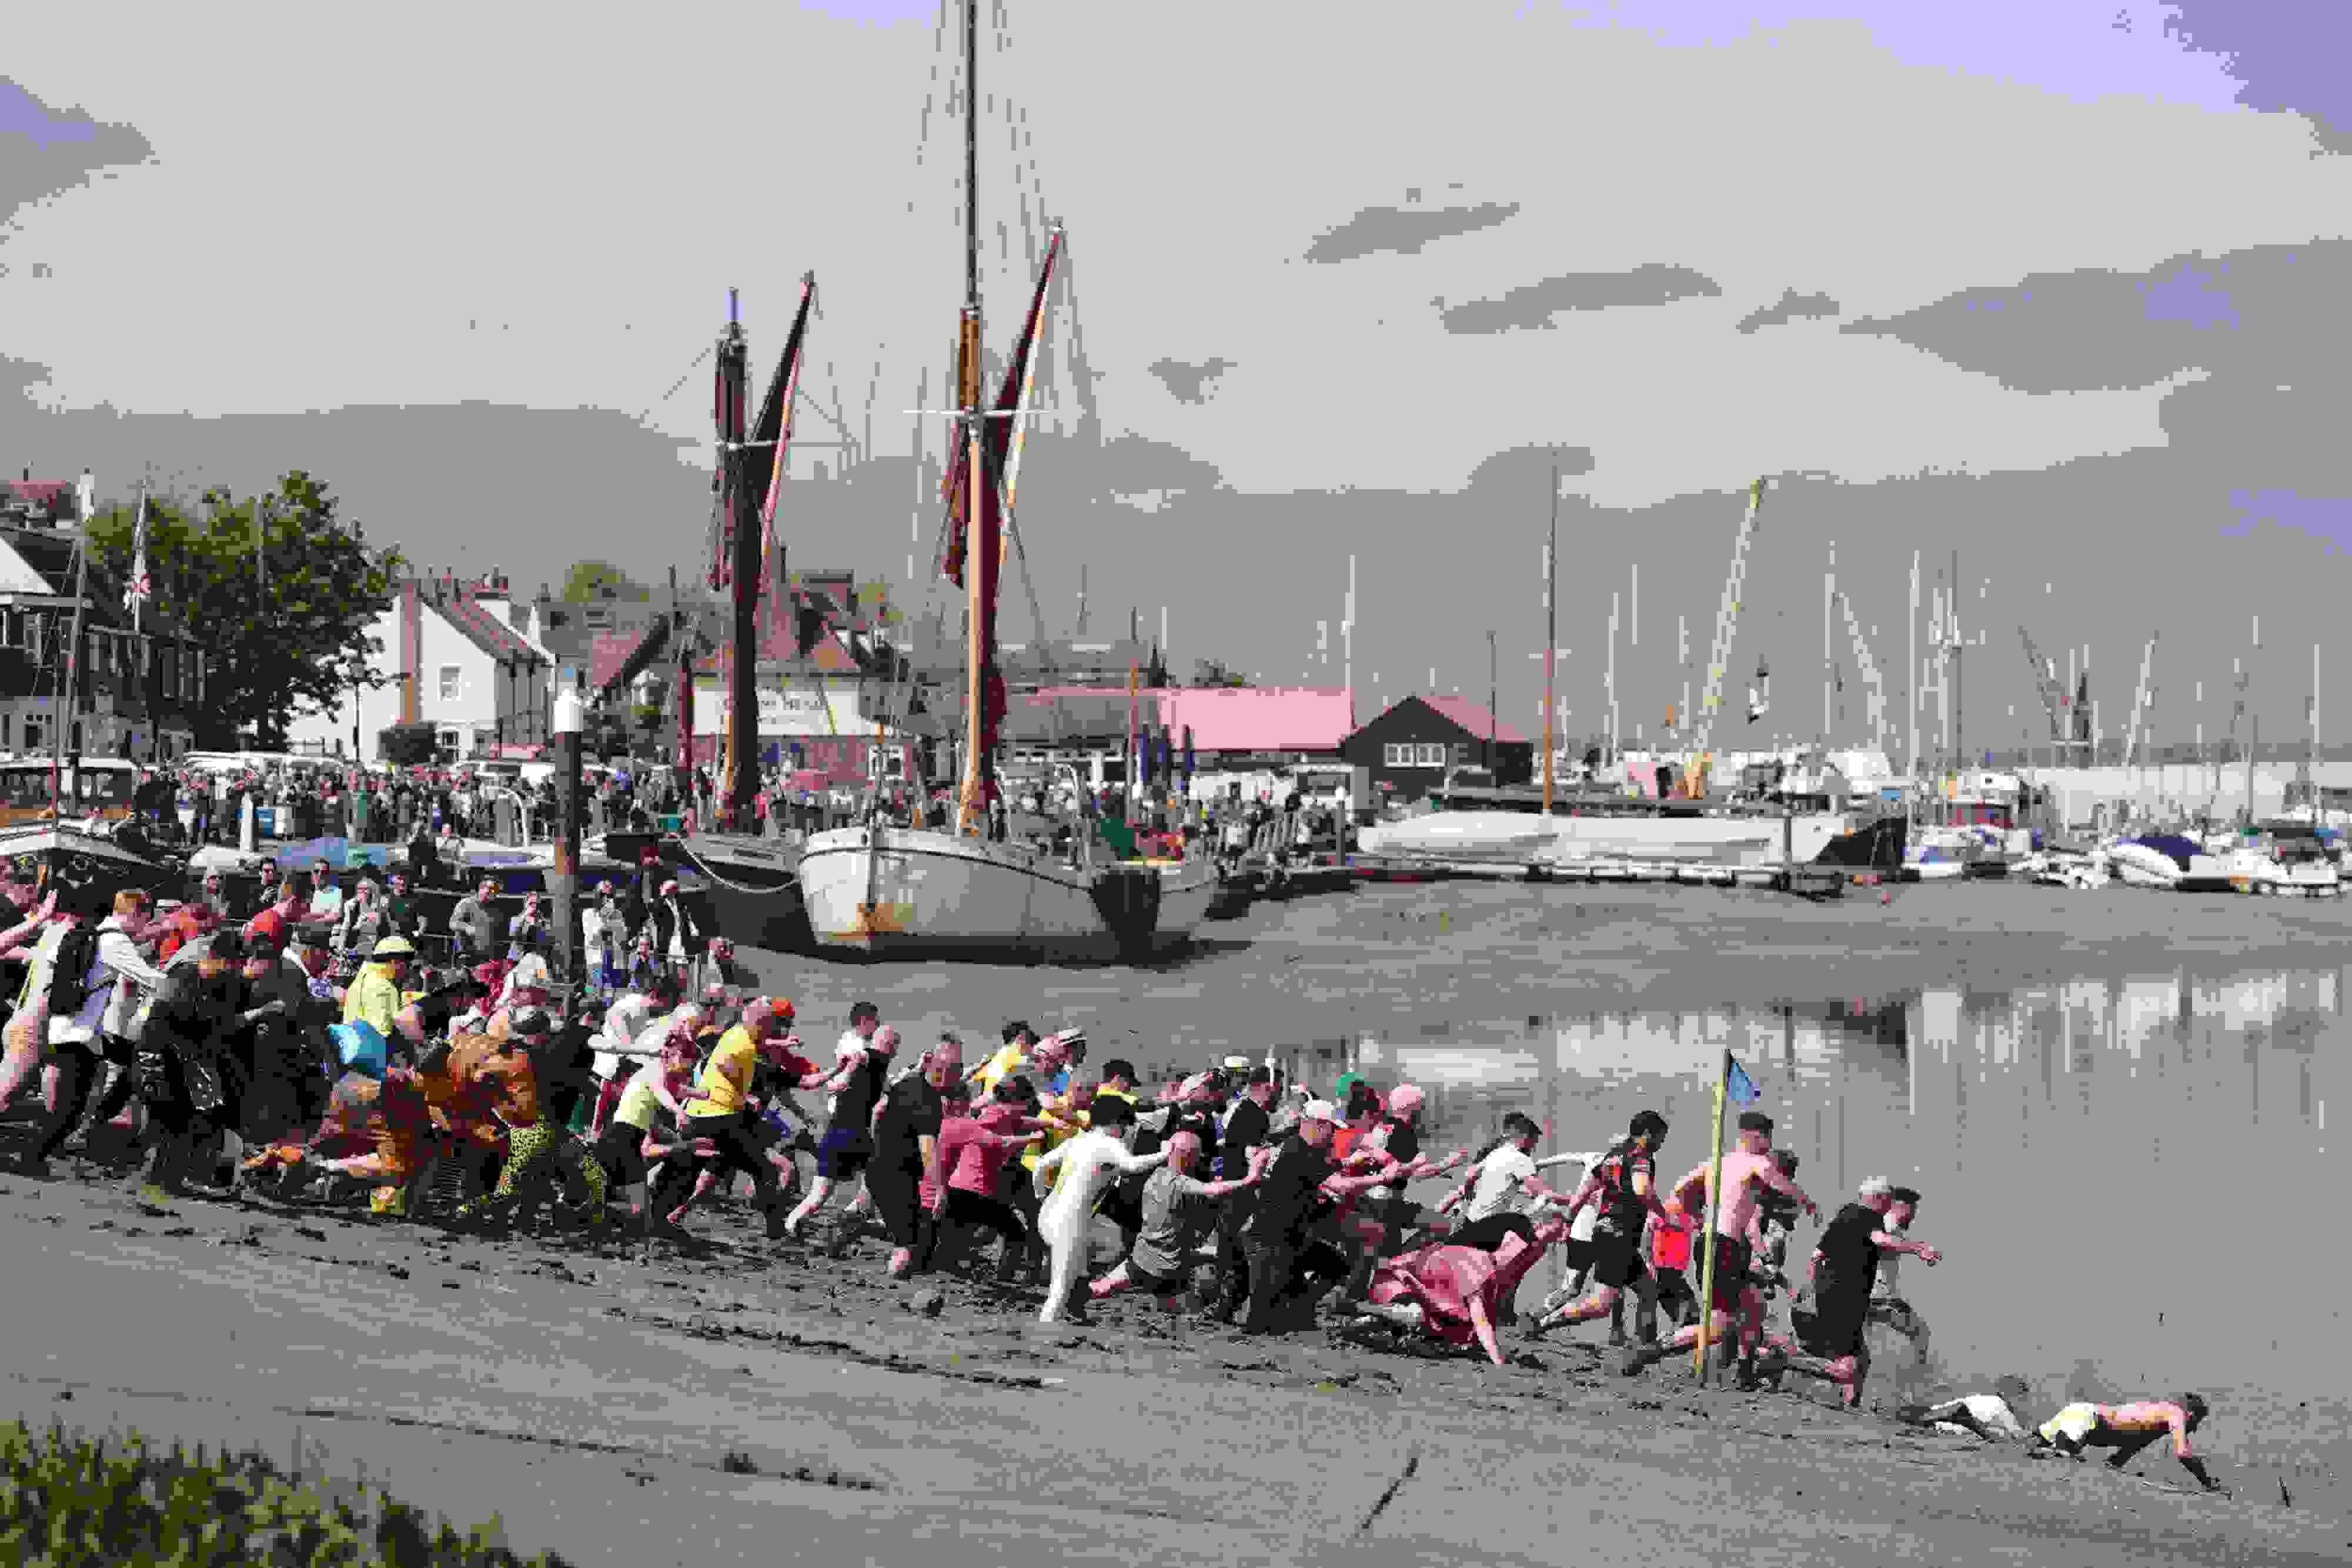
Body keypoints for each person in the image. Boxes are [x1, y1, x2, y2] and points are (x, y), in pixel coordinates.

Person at [1621, 1109, 1818, 1384]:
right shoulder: (1757, 1170)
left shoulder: (1722, 1164)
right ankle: (1652, 1350)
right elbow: (1759, 1217)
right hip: (1723, 1246)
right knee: (1718, 1327)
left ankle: (1745, 1371)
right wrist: (1808, 1205)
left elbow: (1682, 1187)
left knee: (1750, 1307)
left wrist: (1699, 1211)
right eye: (1768, 1138)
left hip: (1720, 1245)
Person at [1775, 1178, 1941, 1407]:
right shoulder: (1877, 1220)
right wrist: (1919, 1248)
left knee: (1858, 1358)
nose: (1913, 1215)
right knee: (1916, 1335)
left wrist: (1811, 1289)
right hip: (1866, 1299)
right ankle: (1782, 1360)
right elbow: (1880, 1240)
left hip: (1838, 1297)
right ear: (1892, 1203)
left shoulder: (1845, 1216)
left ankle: (1850, 1403)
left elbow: (1816, 1256)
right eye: (1911, 1209)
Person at [1524, 1110, 1674, 1343]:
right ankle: (1540, 1322)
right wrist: (1664, 1215)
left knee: (1647, 1290)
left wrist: (1569, 1221)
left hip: (1606, 1233)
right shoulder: (1641, 1157)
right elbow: (1643, 1190)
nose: (1661, 1144)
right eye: (1660, 1138)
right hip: (1618, 1238)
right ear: (1647, 1134)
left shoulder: (1611, 1157)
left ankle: (1644, 1347)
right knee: (1601, 1306)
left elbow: (1584, 1192)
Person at [1349, 1216, 1575, 1368]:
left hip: (1410, 1279)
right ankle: (1359, 1309)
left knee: (1442, 1322)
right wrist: (1498, 1360)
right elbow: (1482, 1320)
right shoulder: (1481, 1265)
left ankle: (1369, 1319)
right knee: (1421, 1316)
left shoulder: (1487, 1260)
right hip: (1399, 1280)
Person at [1091, 1129, 1274, 1312]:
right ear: (1191, 1157)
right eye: (1198, 1155)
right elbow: (1211, 1191)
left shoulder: (1157, 1174)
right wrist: (1249, 1180)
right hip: (1167, 1270)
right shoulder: (1179, 1183)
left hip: (1140, 1260)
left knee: (1101, 1287)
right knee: (1220, 1261)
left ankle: (1081, 1293)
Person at [1030, 1092, 1167, 1322]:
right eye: (1124, 1126)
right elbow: (1132, 1165)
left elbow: (1041, 1166)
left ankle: (1075, 1314)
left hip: (1049, 1214)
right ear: (1115, 1123)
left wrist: (1040, 1194)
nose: (1125, 1132)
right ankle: (1045, 1338)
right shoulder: (1110, 1144)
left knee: (1079, 1269)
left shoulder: (1077, 1140)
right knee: (1058, 1292)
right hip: (1070, 1222)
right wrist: (1165, 1154)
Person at [782, 1009, 894, 1241]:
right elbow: (861, 1060)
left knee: (823, 1194)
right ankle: (850, 1216)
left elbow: (885, 1086)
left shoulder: (876, 1065)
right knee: (874, 1177)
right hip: (848, 1133)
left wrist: (842, 1078)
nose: (896, 1051)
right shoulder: (872, 1056)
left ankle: (797, 1223)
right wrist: (847, 1074)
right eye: (895, 1045)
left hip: (842, 1131)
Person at [869, 1033, 962, 1280]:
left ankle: (858, 1225)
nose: (959, 1076)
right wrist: (940, 1188)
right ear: (942, 1070)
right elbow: (927, 1149)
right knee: (906, 1244)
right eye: (957, 1069)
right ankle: (890, 1290)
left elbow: (878, 1111)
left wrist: (878, 1146)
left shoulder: (908, 1083)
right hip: (896, 1177)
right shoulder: (929, 1103)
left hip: (880, 1167)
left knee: (908, 1229)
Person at [2027, 1394, 2229, 1495]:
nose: (2194, 1428)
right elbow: (2183, 1453)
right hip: (2088, 1418)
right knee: (2063, 1456)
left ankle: (2047, 1446)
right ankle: (2053, 1450)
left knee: (2039, 1440)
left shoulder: (2157, 1415)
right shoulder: (2176, 1414)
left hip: (2082, 1416)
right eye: (2197, 1422)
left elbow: (2137, 1442)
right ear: (2191, 1415)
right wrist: (2207, 1482)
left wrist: (2115, 1463)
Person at [1897, 1377, 2033, 1443]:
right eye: (2021, 1397)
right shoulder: (2002, 1409)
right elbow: (2019, 1434)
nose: (2022, 1401)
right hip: (1938, 1421)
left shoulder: (1988, 1399)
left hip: (1932, 1412)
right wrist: (2037, 1432)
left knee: (1896, 1415)